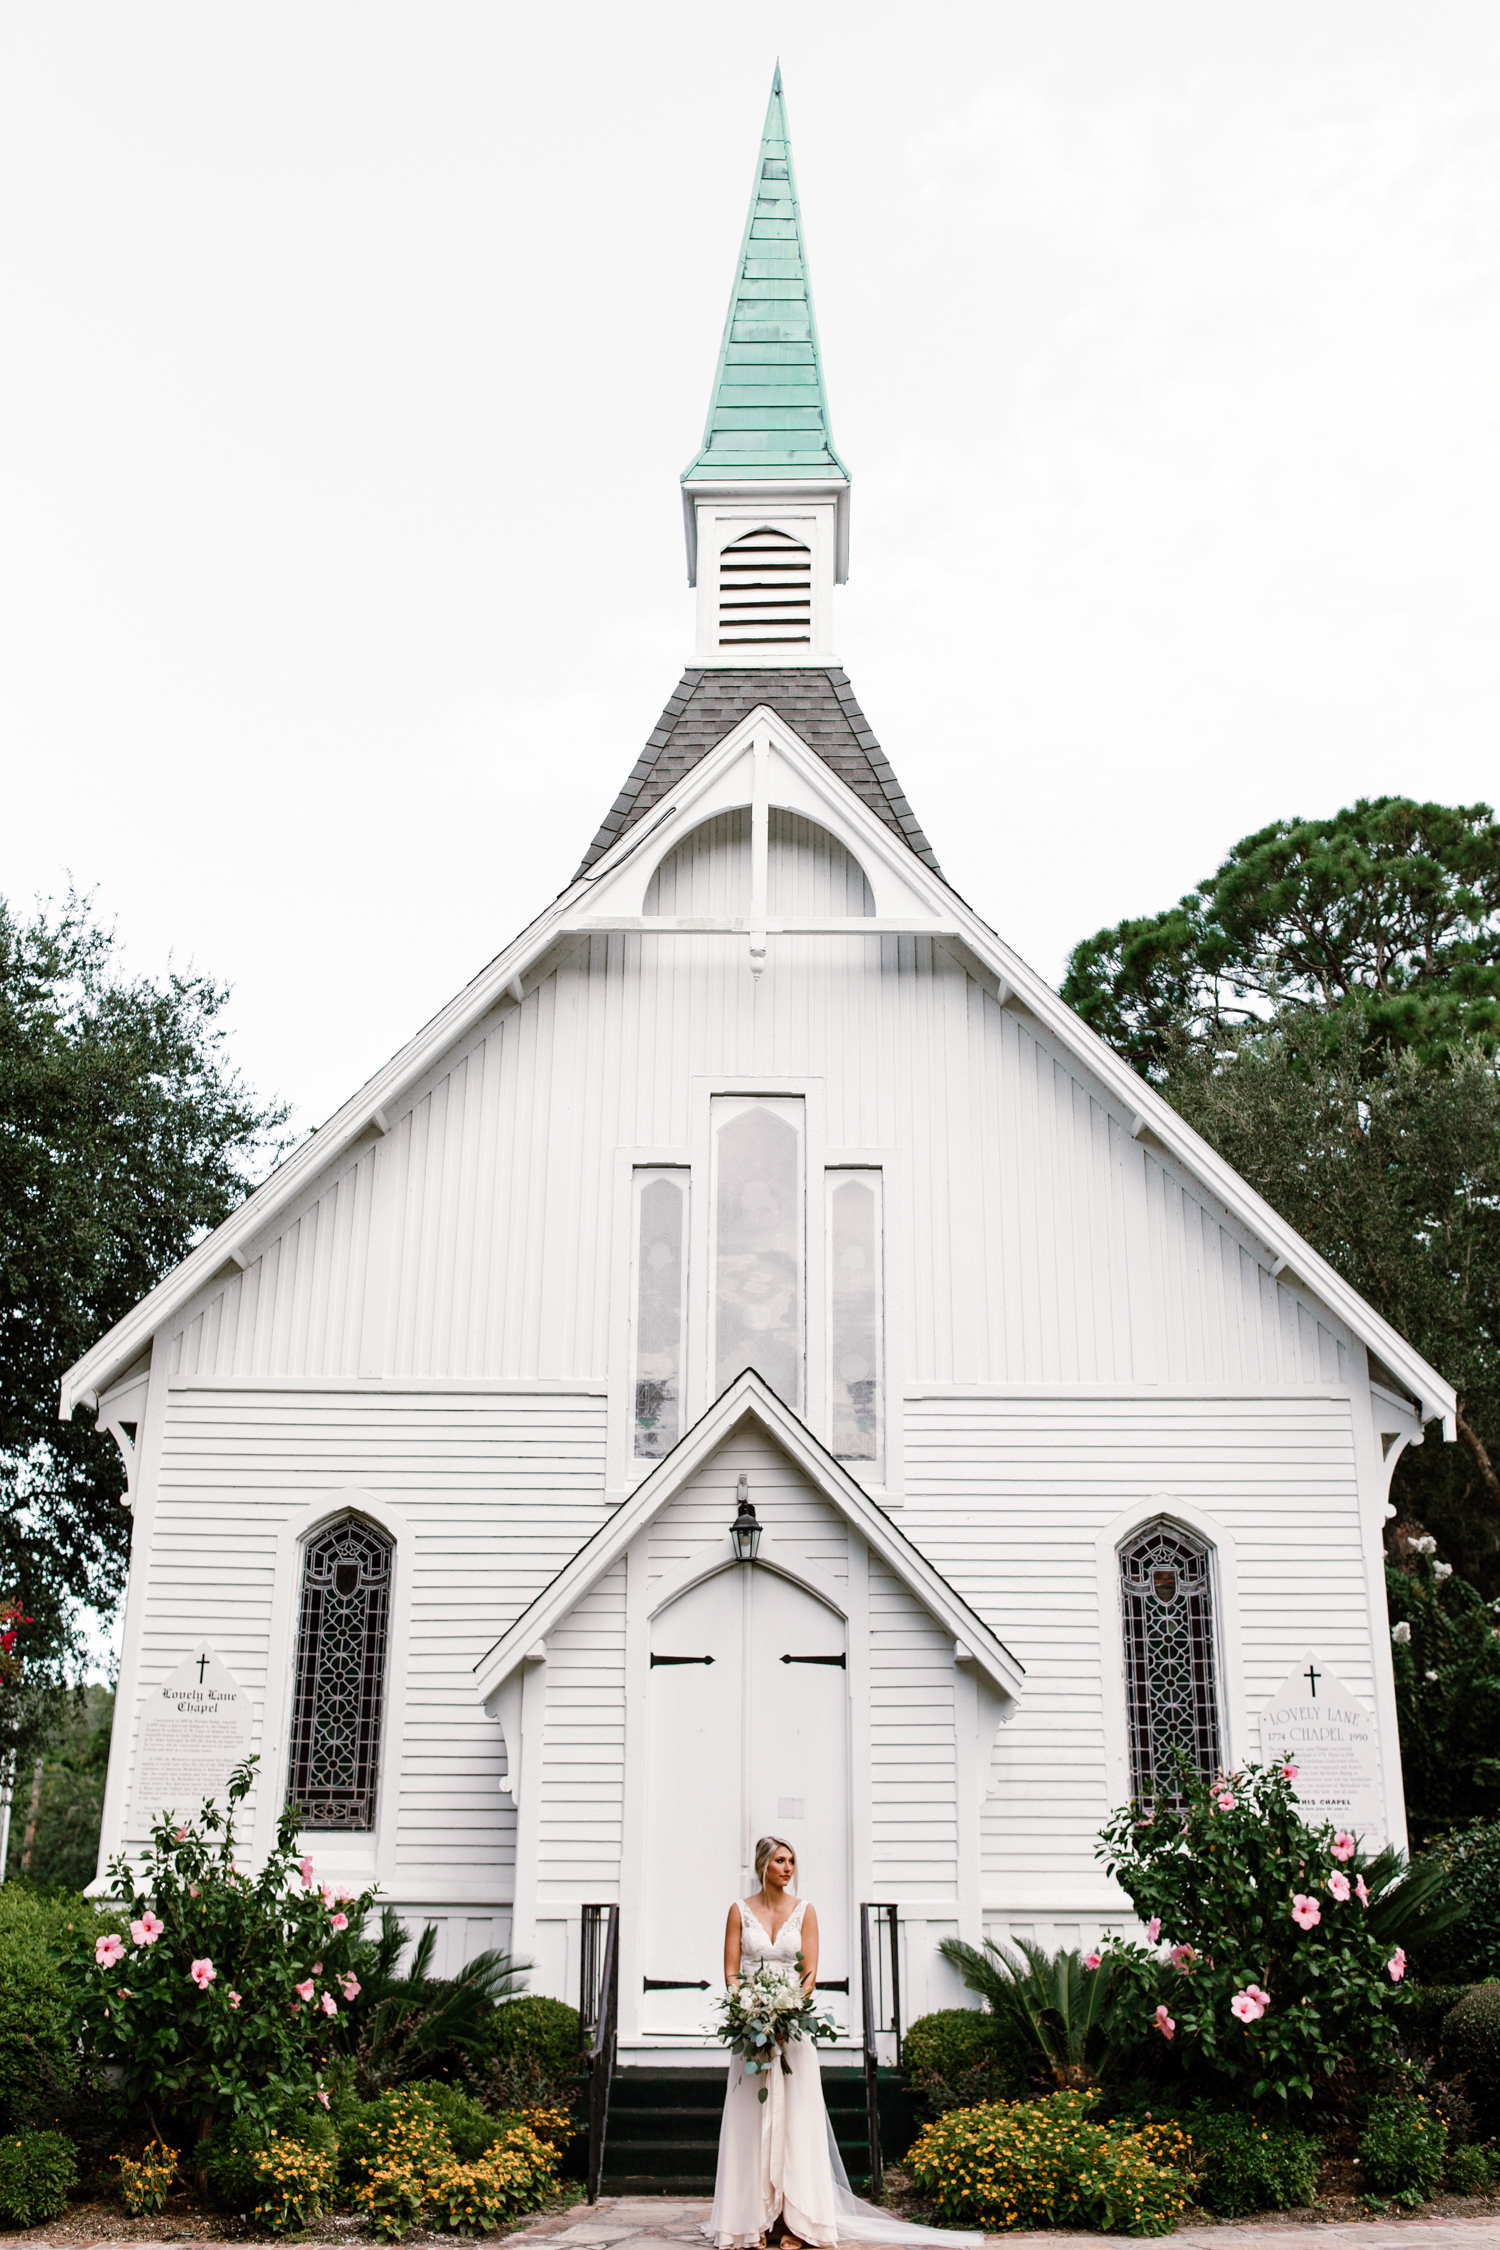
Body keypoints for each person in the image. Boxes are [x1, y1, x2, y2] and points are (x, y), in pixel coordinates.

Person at [704, 1837, 983, 2250]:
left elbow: (809, 1973)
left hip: (791, 2030)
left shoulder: (805, 1911)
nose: (788, 1868)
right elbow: (730, 1972)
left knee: (797, 2122)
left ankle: (797, 2223)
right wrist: (750, 2009)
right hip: (752, 2033)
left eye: (792, 1861)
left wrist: (785, 2012)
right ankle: (752, 2221)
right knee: (752, 2123)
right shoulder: (738, 1911)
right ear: (763, 1863)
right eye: (780, 1860)